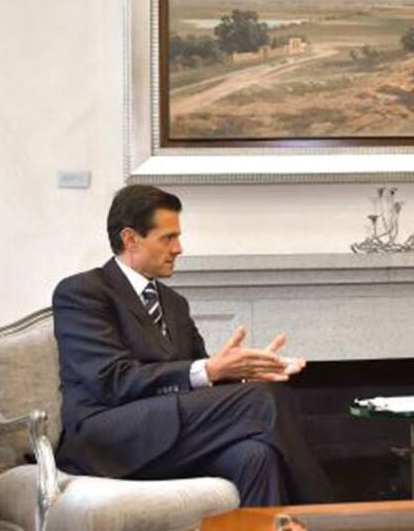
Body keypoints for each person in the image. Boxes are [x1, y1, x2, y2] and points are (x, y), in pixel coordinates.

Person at [52, 185, 332, 506]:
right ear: (130, 239)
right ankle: (330, 519)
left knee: (256, 455)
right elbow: (111, 381)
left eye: (178, 237)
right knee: (263, 401)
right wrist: (213, 371)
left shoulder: (173, 303)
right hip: (109, 439)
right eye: (167, 238)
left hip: (171, 435)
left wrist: (243, 374)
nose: (179, 248)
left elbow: (200, 373)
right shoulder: (84, 292)